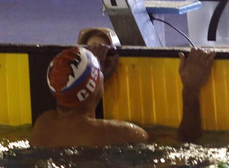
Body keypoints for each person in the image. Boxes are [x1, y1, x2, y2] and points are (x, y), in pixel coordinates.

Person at [28, 40, 215, 148]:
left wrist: (94, 81)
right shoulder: (123, 134)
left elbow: (79, 105)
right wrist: (191, 90)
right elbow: (186, 143)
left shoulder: (42, 126)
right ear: (95, 85)